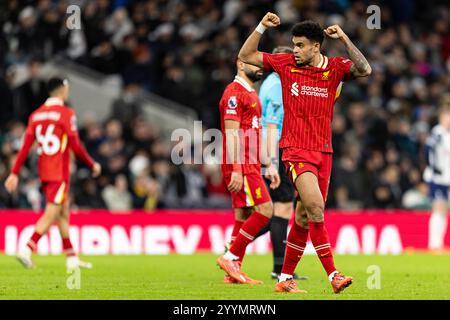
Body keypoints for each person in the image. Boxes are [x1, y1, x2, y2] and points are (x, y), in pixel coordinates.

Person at [238, 13, 372, 293]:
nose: (295, 50)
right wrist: (262, 26)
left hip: (324, 152)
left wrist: (345, 38)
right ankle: (333, 274)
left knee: (301, 218)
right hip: (296, 150)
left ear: (316, 47)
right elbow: (246, 54)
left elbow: (365, 69)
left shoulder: (335, 68)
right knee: (316, 209)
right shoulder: (286, 64)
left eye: (300, 45)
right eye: (294, 45)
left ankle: (284, 279)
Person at [4, 77, 102, 271]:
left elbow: (25, 147)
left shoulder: (36, 115)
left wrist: (14, 173)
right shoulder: (66, 114)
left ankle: (72, 258)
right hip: (59, 171)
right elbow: (75, 144)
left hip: (45, 171)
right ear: (62, 90)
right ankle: (27, 248)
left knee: (63, 212)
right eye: (67, 88)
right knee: (52, 212)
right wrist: (92, 164)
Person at [216, 58, 280, 284]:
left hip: (251, 163)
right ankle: (230, 257)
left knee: (243, 215)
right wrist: (236, 169)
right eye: (255, 64)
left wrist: (269, 163)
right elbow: (232, 134)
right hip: (241, 164)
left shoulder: (252, 93)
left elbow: (256, 133)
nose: (260, 67)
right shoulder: (234, 93)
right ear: (240, 64)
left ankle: (233, 272)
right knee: (265, 210)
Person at [257, 45, 308, 280]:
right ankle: (279, 269)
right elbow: (270, 126)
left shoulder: (270, 82)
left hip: (273, 150)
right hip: (276, 150)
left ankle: (237, 246)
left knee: (274, 210)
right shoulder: (278, 86)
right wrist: (269, 162)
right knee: (283, 209)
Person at [423, 95, 450, 253]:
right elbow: (427, 152)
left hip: (448, 178)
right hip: (437, 178)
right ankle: (434, 244)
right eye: (446, 116)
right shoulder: (437, 133)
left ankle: (438, 243)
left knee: (444, 210)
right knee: (439, 208)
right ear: (441, 118)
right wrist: (434, 168)